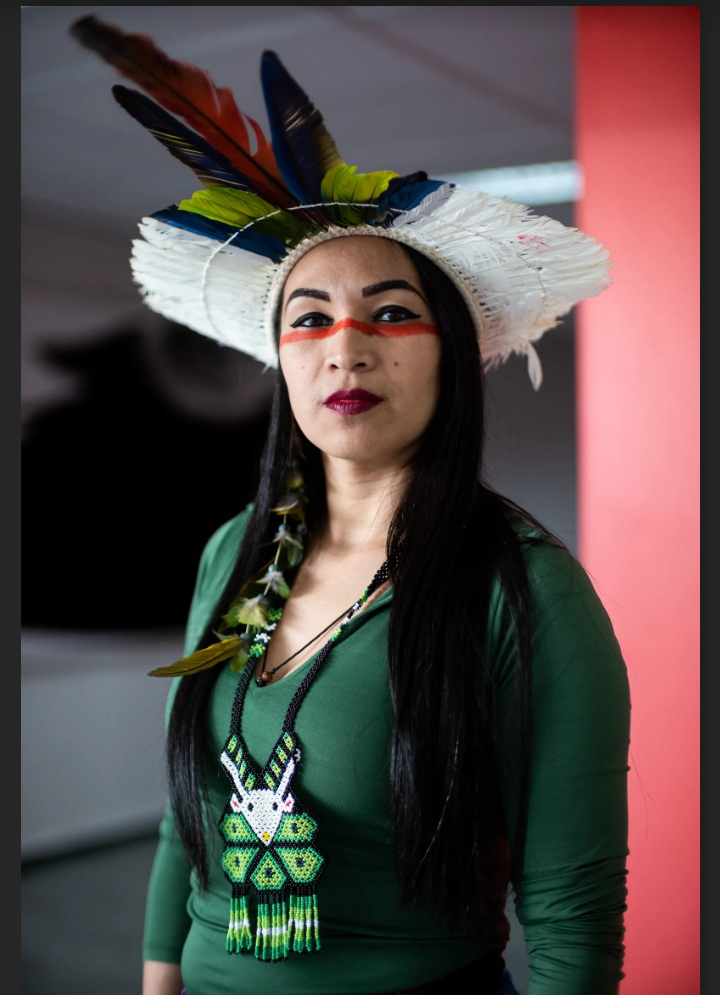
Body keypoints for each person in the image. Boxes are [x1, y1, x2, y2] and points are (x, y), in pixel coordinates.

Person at [71, 17, 631, 995]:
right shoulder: (232, 550)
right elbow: (184, 824)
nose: (346, 346)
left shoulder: (526, 588)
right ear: (281, 363)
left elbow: (571, 914)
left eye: (392, 312)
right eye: (311, 318)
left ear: (453, 355)